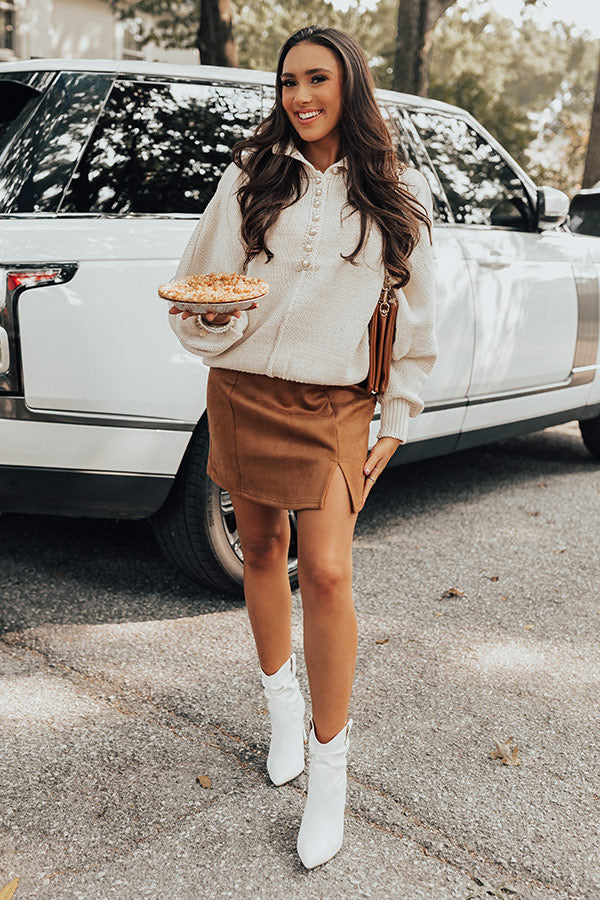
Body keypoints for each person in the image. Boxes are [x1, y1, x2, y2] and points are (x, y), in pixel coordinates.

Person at [167, 25, 438, 869]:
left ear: (350, 85)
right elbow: (199, 285)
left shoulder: (397, 189)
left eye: (317, 79)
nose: (301, 96)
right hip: (244, 389)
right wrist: (213, 321)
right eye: (288, 82)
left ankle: (330, 772)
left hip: (335, 403)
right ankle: (280, 704)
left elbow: (417, 318)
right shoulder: (251, 175)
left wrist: (398, 416)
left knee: (323, 573)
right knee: (260, 550)